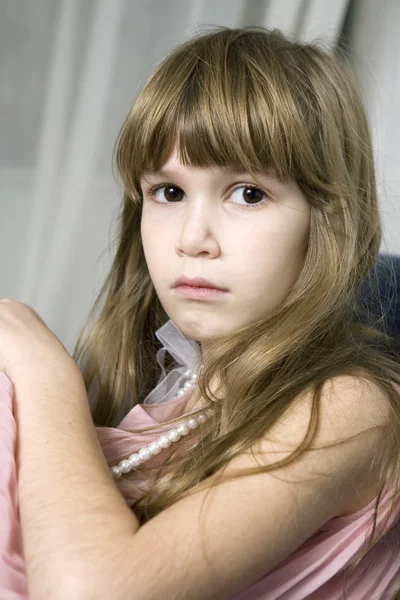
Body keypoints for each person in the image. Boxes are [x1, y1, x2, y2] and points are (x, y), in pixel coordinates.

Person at [0, 25, 400, 600]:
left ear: (328, 220)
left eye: (248, 194)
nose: (192, 238)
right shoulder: (160, 393)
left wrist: (44, 374)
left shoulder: (351, 406)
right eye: (169, 192)